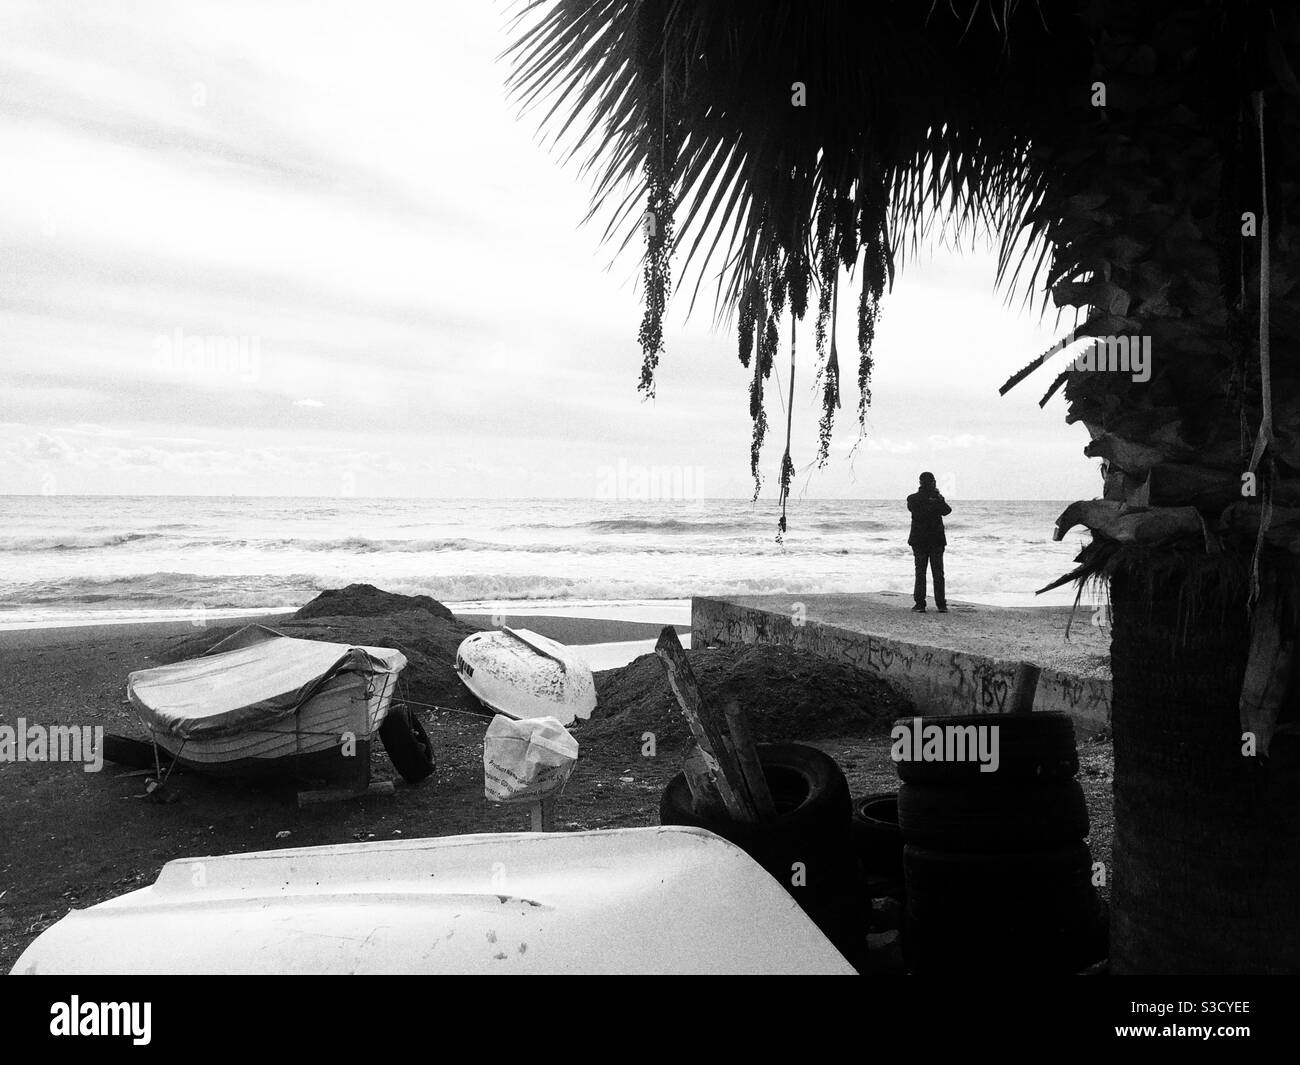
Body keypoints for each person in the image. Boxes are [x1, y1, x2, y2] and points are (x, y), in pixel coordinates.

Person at [907, 472, 951, 613]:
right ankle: (940, 604)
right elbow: (946, 511)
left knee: (921, 572)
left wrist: (937, 498)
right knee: (937, 573)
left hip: (921, 540)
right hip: (933, 540)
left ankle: (921, 603)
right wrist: (937, 499)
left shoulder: (914, 498)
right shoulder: (928, 499)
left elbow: (946, 511)